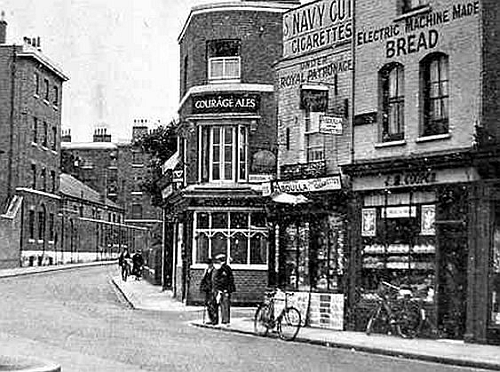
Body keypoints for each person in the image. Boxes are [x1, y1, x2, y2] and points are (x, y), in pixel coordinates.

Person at [213, 254, 236, 325]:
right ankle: (224, 319)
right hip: (222, 290)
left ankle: (225, 320)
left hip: (225, 290)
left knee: (225, 305)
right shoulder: (222, 268)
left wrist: (223, 289)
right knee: (223, 305)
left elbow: (226, 280)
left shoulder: (225, 268)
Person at [199, 258, 217, 325]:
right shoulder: (207, 270)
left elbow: (214, 281)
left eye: (209, 264)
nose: (208, 265)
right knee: (208, 304)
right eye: (207, 264)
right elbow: (203, 279)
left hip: (212, 290)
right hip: (207, 289)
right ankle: (210, 318)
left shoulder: (214, 270)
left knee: (212, 304)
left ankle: (214, 320)